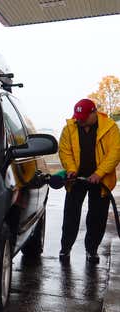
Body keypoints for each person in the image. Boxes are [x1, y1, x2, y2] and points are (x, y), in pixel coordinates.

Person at [58, 98, 120, 264]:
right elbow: (65, 151)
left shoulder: (110, 128)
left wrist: (99, 174)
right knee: (70, 215)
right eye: (78, 117)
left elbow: (115, 152)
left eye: (85, 117)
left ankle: (91, 250)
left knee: (97, 217)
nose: (80, 120)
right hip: (76, 179)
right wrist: (71, 169)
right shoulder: (69, 128)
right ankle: (65, 248)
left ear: (94, 113)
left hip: (100, 181)